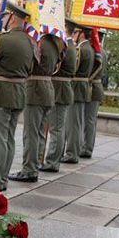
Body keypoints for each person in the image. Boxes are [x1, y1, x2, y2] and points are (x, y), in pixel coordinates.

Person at [0, 2, 34, 191]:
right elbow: (31, 68)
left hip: (0, 92)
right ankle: (2, 178)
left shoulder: (2, 40)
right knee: (9, 138)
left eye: (5, 16)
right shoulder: (31, 42)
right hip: (20, 92)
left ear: (12, 17)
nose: (3, 19)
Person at [9, 32, 60, 183]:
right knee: (39, 132)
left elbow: (29, 64)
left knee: (31, 133)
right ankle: (35, 164)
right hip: (47, 89)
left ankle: (29, 169)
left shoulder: (40, 43)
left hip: (35, 90)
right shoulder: (54, 44)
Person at [40, 19, 78, 172]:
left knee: (56, 128)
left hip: (60, 89)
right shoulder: (69, 45)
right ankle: (52, 160)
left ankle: (52, 162)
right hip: (62, 88)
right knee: (58, 127)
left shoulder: (66, 45)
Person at [61, 24, 93, 164]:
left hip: (76, 87)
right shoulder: (90, 48)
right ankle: (73, 151)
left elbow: (73, 68)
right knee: (77, 122)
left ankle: (71, 153)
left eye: (76, 32)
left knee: (73, 123)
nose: (74, 35)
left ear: (81, 33)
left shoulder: (80, 49)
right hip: (82, 87)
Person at [81, 28, 107, 159]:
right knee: (89, 120)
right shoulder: (102, 51)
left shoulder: (97, 52)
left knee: (89, 120)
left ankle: (86, 148)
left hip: (93, 87)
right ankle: (86, 146)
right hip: (94, 86)